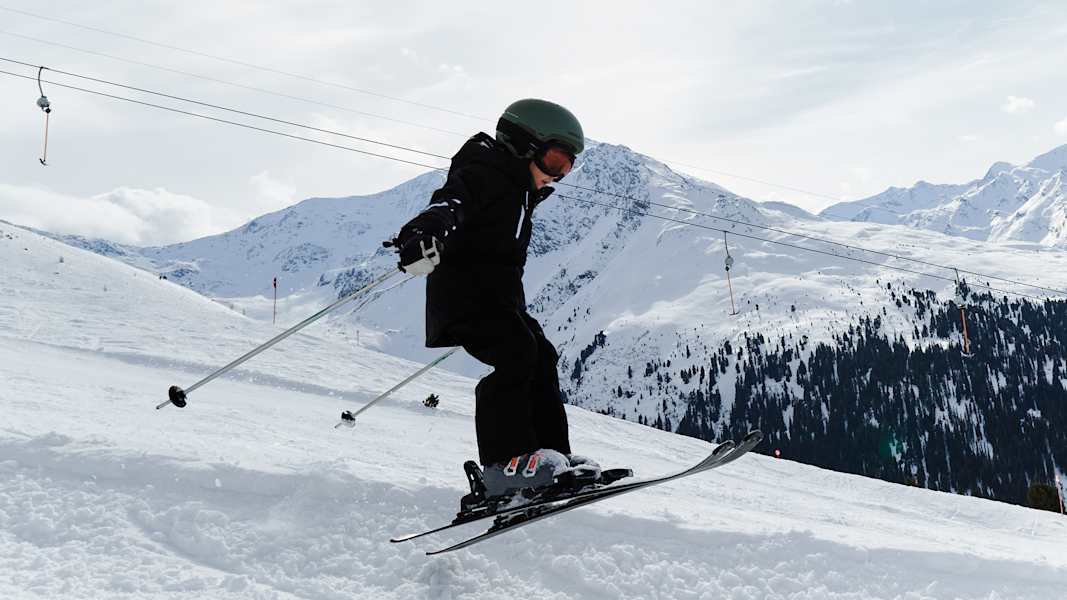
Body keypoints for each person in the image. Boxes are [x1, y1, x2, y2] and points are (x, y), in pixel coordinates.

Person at [391, 98, 601, 503]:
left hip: (500, 299)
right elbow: (450, 201)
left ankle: (550, 458)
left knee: (541, 353)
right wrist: (425, 231)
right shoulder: (484, 171)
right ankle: (503, 464)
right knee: (517, 353)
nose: (559, 174)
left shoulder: (519, 188)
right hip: (465, 297)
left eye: (568, 167)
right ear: (523, 145)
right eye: (556, 161)